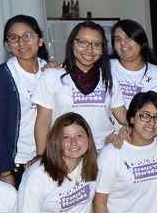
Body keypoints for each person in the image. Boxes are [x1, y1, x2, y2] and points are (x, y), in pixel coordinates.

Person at [0, 14, 50, 187]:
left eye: (28, 36)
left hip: (51, 159)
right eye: (14, 38)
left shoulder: (52, 72)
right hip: (19, 163)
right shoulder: (1, 76)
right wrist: (5, 171)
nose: (22, 43)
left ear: (40, 39)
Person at [34, 21, 116, 156]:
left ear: (102, 50)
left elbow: (123, 116)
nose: (89, 50)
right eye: (82, 42)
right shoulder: (52, 75)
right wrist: (41, 157)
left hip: (103, 154)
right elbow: (43, 121)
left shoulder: (109, 77)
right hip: (64, 154)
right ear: (72, 43)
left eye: (96, 44)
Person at [108, 19, 157, 122]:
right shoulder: (105, 68)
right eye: (117, 39)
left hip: (146, 134)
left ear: (141, 40)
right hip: (111, 135)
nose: (123, 43)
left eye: (128, 37)